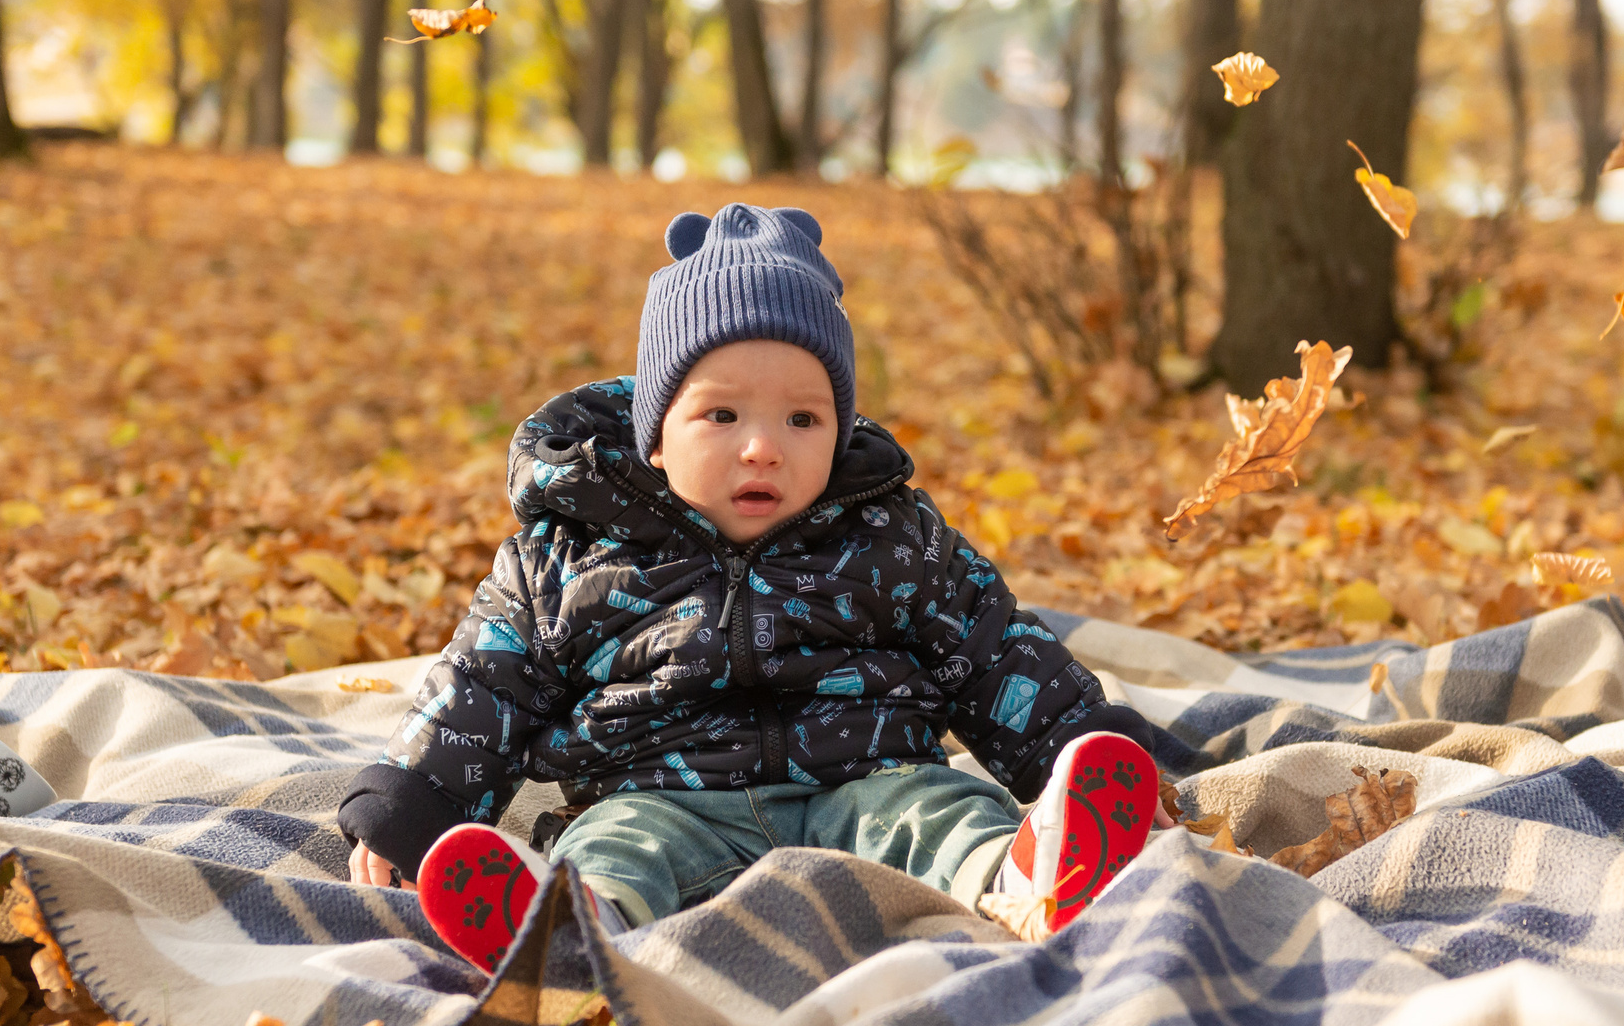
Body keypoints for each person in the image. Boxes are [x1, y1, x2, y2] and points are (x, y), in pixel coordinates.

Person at [336, 203, 1170, 972]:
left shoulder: (894, 536)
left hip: (867, 779)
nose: (764, 446)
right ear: (656, 435)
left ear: (839, 432)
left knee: (945, 814)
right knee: (614, 848)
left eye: (803, 419)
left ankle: (1036, 873)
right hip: (662, 793)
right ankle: (570, 933)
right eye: (723, 416)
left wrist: (1083, 743)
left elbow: (995, 652)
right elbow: (486, 683)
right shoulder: (572, 554)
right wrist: (413, 808)